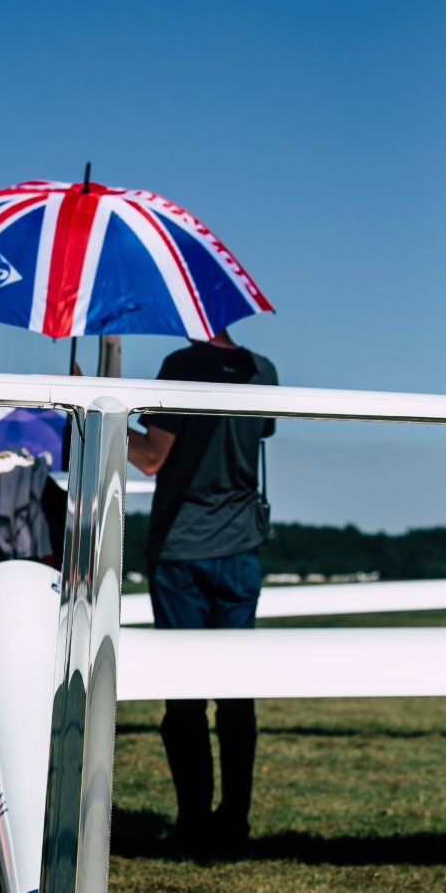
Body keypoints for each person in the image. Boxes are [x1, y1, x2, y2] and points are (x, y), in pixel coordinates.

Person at [127, 329, 278, 855]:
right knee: (236, 695)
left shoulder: (181, 365)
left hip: (182, 548)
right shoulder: (263, 370)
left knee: (185, 696)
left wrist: (94, 412)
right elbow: (259, 434)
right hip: (241, 547)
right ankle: (234, 821)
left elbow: (151, 457)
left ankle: (193, 822)